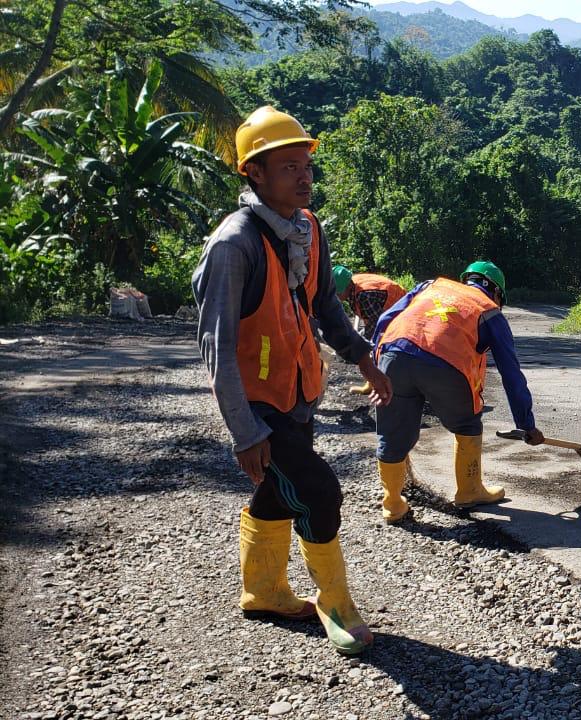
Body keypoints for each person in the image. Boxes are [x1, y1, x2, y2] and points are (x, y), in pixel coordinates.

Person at [192, 106, 392, 655]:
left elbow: (324, 304)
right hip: (261, 406)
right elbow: (216, 347)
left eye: (306, 166)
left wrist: (364, 358)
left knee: (280, 492)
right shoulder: (234, 246)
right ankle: (336, 602)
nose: (304, 177)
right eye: (288, 168)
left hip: (299, 391)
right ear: (253, 174)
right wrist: (245, 432)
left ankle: (263, 592)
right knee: (320, 492)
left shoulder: (307, 229)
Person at [370, 261, 545, 523]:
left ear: (468, 280)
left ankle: (393, 504)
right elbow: (511, 374)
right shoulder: (489, 311)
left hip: (394, 356)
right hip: (446, 365)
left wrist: (375, 367)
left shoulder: (430, 286)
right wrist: (526, 424)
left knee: (392, 430)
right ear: (496, 293)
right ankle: (469, 491)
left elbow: (385, 320)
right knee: (467, 423)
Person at [332, 267, 407, 395]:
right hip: (389, 312)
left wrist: (359, 346)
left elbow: (375, 327)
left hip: (402, 314)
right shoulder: (352, 284)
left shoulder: (364, 295)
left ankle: (381, 383)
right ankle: (372, 383)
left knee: (375, 345)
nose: (336, 297)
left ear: (345, 288)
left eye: (337, 293)